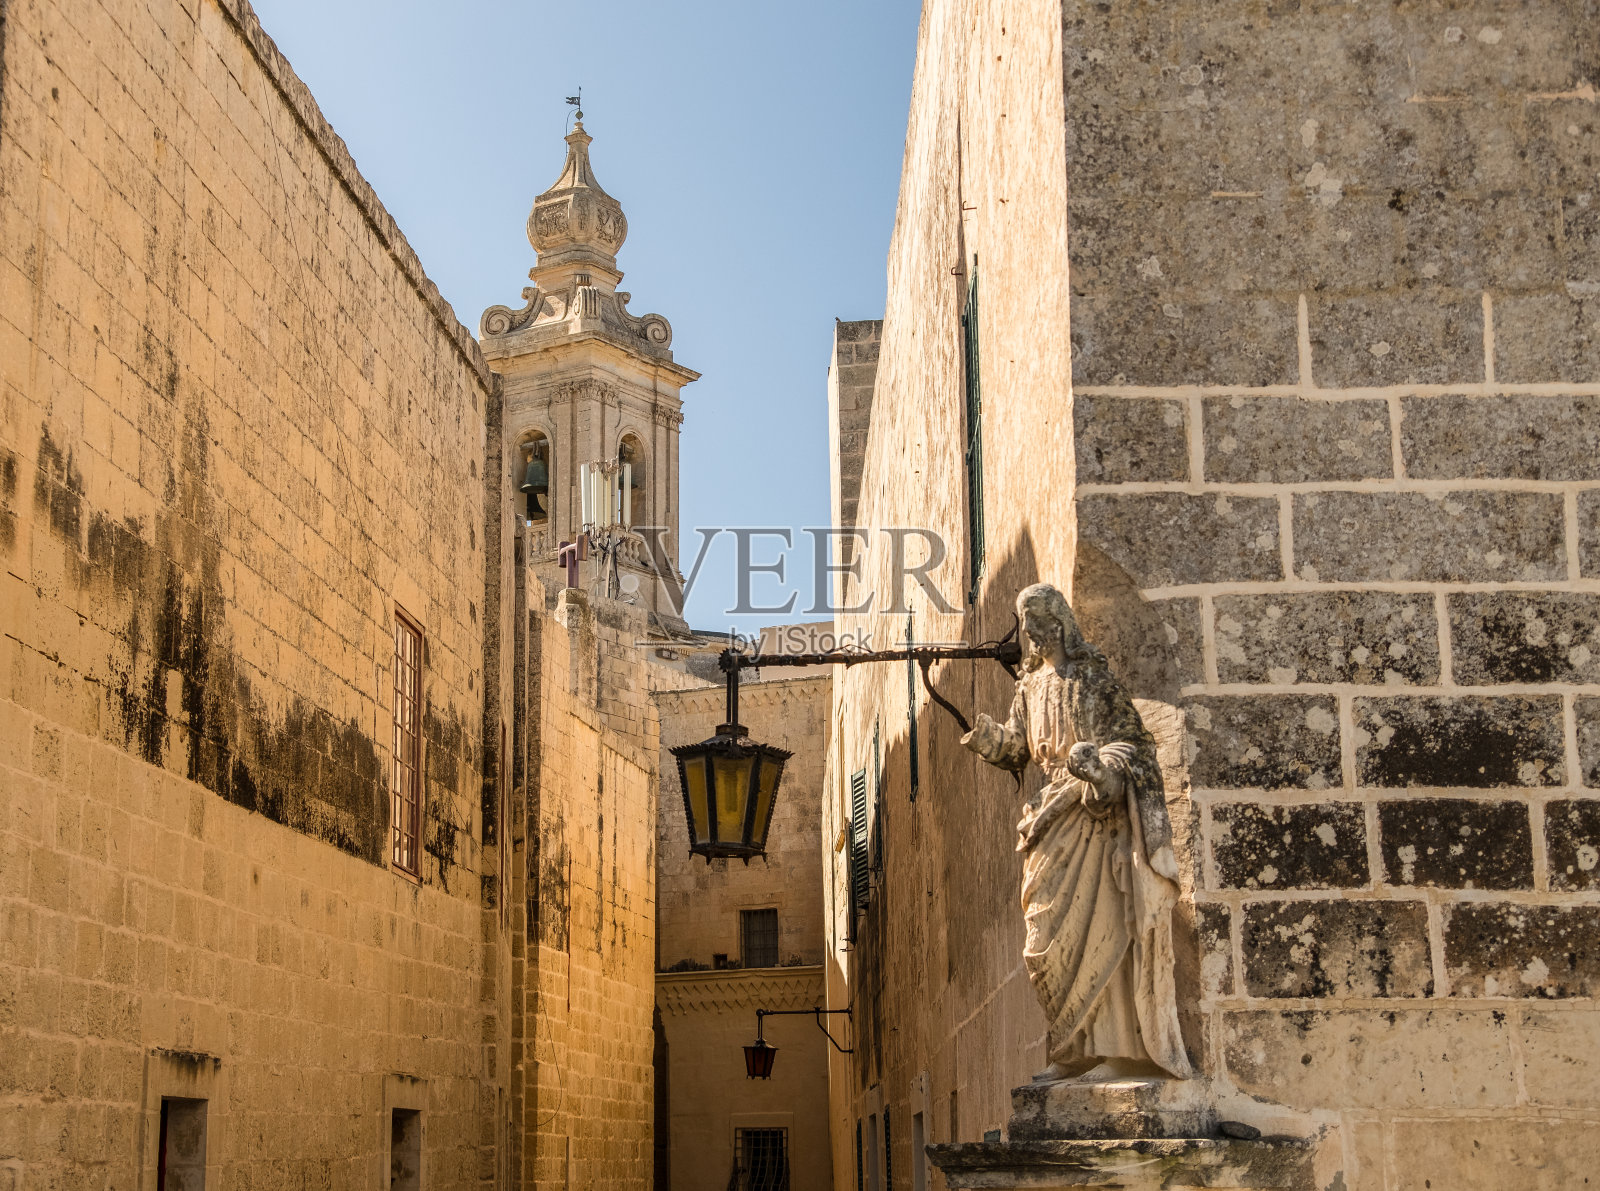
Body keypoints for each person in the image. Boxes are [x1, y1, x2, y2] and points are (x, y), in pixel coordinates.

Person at [961, 582, 1193, 1082]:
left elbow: (1132, 744)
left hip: (1092, 819)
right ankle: (1073, 1050)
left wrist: (1098, 769)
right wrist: (990, 740)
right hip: (1048, 819)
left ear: (1059, 621)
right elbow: (1019, 749)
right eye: (1025, 622)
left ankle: (1113, 1052)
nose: (1029, 632)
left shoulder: (1092, 680)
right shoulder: (1028, 686)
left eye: (1037, 619)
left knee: (1101, 929)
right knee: (1044, 937)